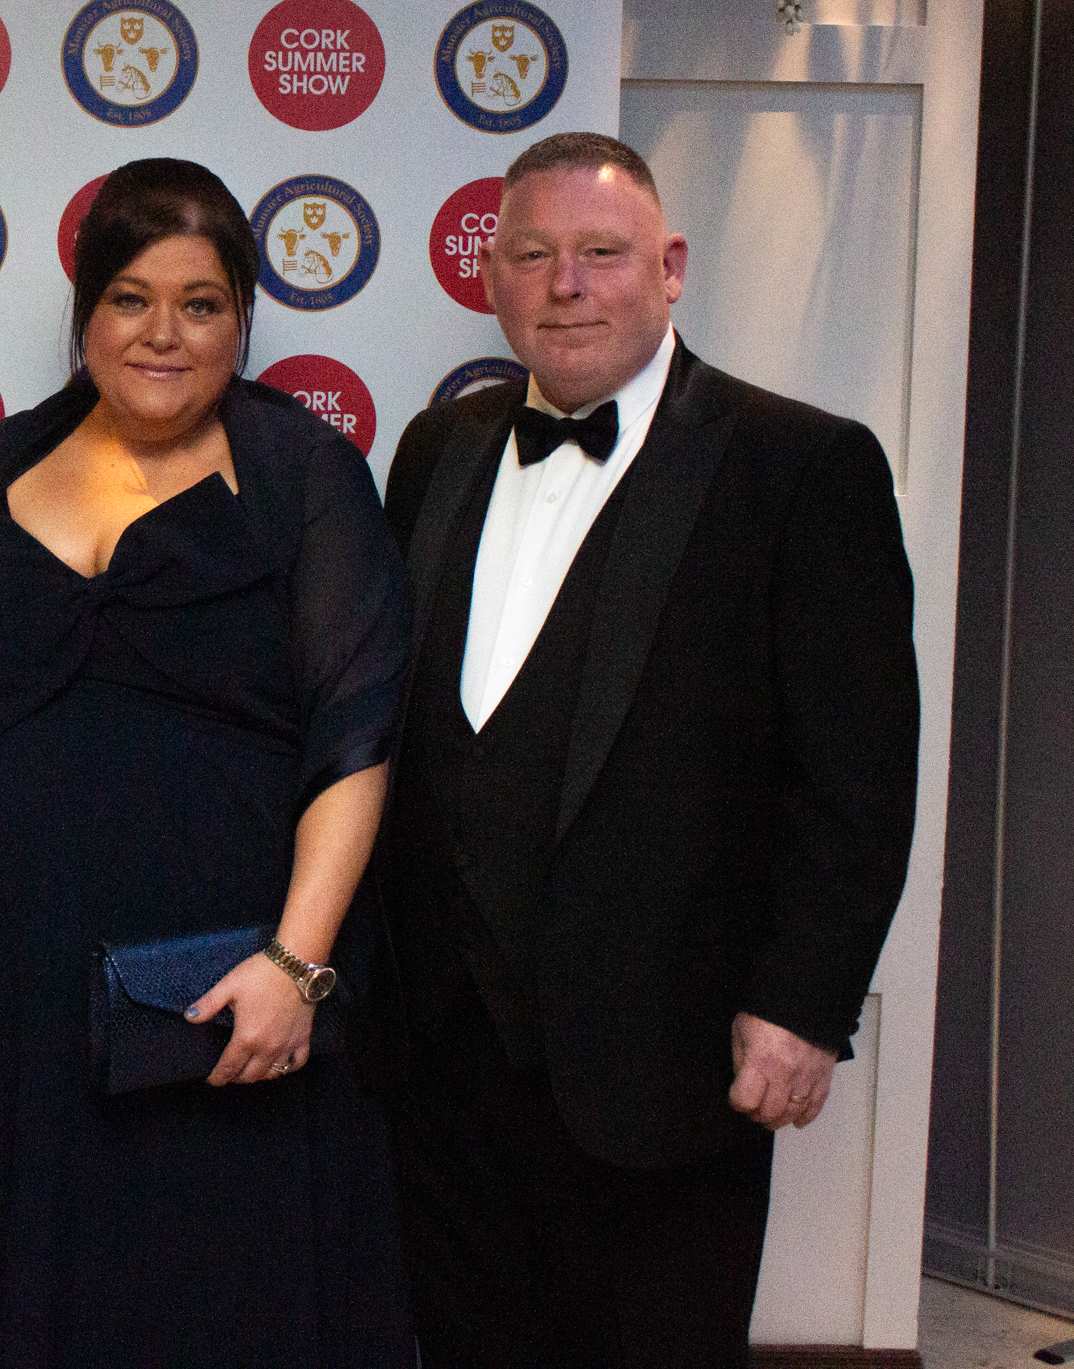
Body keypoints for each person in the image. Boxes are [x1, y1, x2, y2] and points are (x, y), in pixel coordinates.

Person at [0, 158, 415, 1368]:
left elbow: (355, 735)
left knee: (197, 1289)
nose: (162, 333)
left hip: (205, 985)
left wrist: (296, 965)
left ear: (241, 320)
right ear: (85, 310)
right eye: (129, 298)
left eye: (200, 303)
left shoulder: (302, 477)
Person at [376, 132, 920, 1368]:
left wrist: (801, 1006)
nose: (564, 284)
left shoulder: (800, 465)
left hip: (666, 1061)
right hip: (439, 1061)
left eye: (600, 253)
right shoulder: (435, 450)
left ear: (667, 267)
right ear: (490, 278)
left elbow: (856, 778)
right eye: (531, 255)